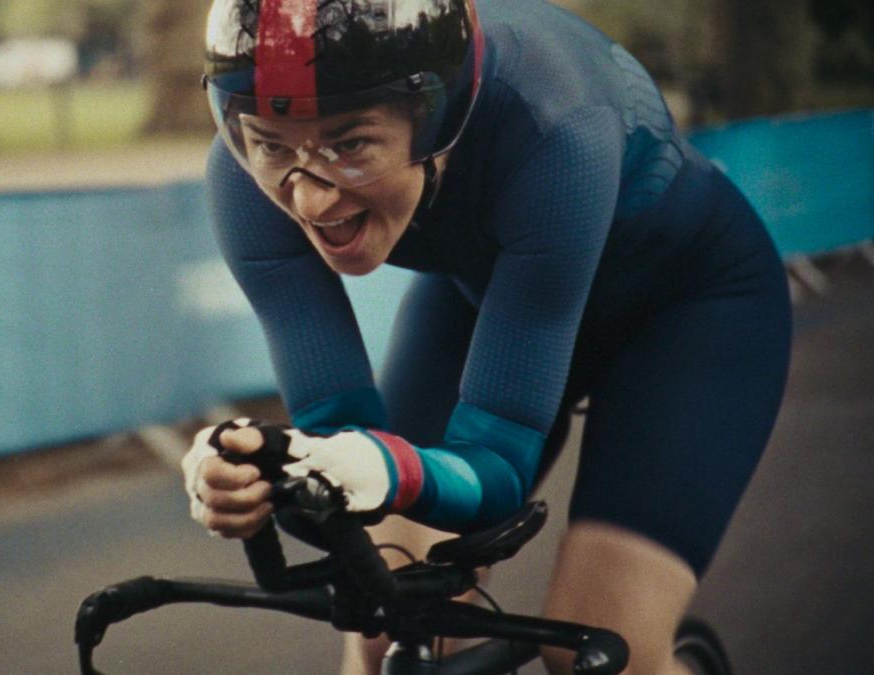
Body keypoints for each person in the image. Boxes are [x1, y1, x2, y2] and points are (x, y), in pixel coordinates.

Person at [180, 1, 792, 673]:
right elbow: (341, 451)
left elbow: (494, 465)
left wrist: (382, 465)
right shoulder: (244, 176)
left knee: (596, 649)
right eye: (272, 145)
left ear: (438, 116)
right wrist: (253, 472)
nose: (310, 201)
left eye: (350, 144)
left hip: (684, 310)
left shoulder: (556, 127)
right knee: (384, 620)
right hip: (490, 292)